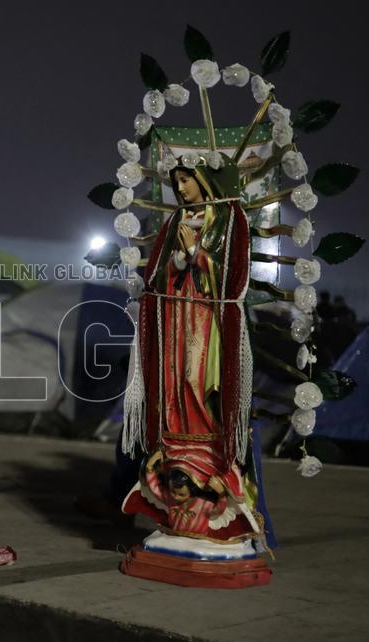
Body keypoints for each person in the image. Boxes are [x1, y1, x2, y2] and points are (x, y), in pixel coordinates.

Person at [121, 155, 263, 542]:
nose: (181, 188)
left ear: (205, 179)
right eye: (177, 180)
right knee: (174, 383)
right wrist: (182, 255)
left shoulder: (226, 221)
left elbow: (230, 275)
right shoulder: (175, 222)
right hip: (176, 317)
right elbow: (161, 273)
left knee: (197, 378)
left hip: (206, 316)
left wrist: (198, 255)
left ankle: (207, 445)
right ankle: (177, 439)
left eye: (187, 180)